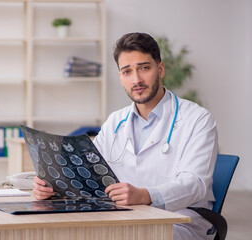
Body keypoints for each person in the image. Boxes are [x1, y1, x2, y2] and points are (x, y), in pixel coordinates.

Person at [33, 32, 218, 240]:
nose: (136, 79)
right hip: (124, 218)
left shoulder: (197, 119)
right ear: (121, 77)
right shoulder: (115, 122)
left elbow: (195, 184)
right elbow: (87, 174)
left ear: (161, 69)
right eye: (127, 71)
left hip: (179, 221)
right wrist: (52, 188)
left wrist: (145, 195)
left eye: (144, 68)